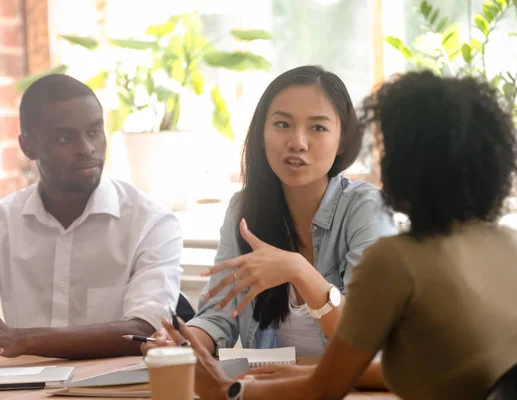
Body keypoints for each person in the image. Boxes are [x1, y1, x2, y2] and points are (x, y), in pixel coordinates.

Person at [162, 70, 517, 400]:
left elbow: (326, 390)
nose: (298, 141)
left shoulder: (397, 257)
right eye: (282, 124)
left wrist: (229, 391)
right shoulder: (508, 244)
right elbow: (432, 369)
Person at [144, 65, 396, 370]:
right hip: (268, 390)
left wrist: (300, 270)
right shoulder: (243, 209)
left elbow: (364, 339)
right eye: (282, 124)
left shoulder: (366, 209)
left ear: (342, 139)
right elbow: (217, 317)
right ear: (262, 134)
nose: (297, 142)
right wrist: (181, 341)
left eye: (317, 127)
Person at [0, 74, 182, 359]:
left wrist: (24, 341)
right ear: (28, 147)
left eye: (94, 132)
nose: (86, 149)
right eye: (65, 137)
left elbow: (146, 330)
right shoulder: (5, 222)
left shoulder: (150, 222)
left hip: (115, 387)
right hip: (21, 387)